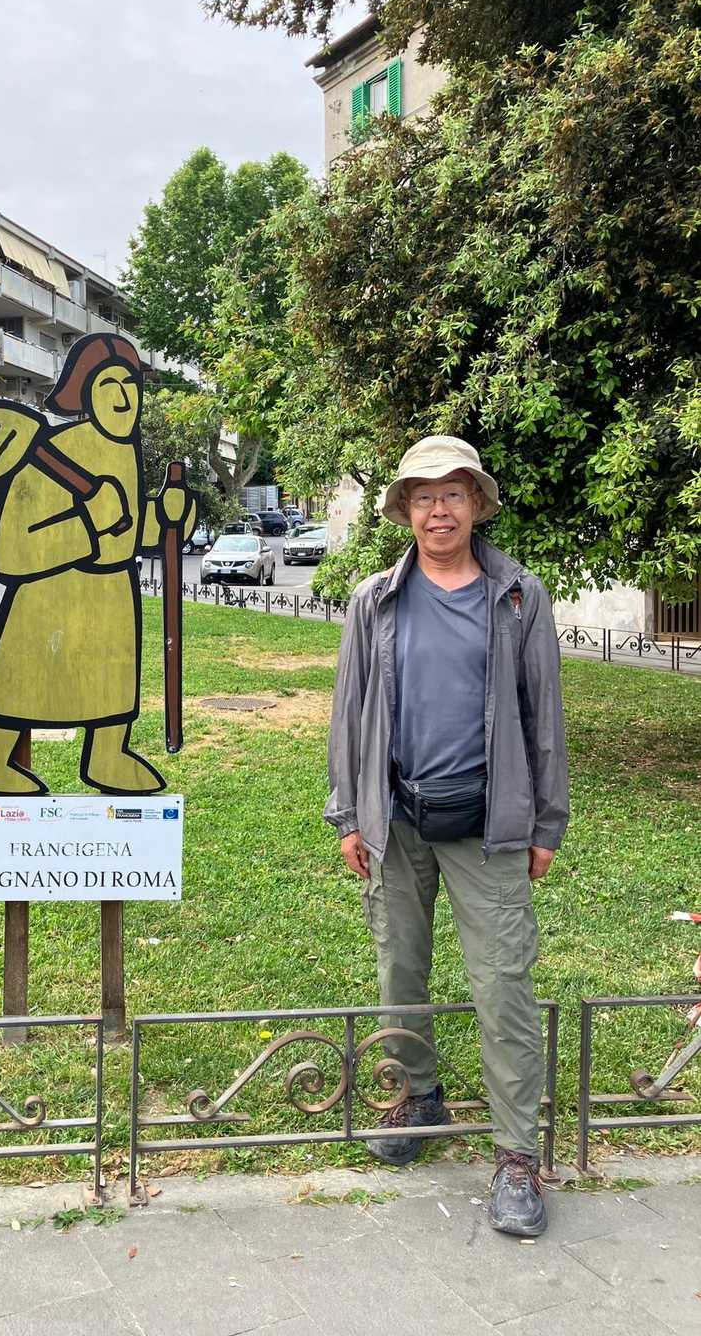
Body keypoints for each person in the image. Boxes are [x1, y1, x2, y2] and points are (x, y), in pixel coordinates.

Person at [325, 436, 568, 1238]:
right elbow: (351, 710)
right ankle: (418, 1095)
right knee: (400, 965)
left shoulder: (519, 597)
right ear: (404, 510)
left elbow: (543, 719)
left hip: (489, 824)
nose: (439, 510)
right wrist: (348, 813)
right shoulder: (375, 599)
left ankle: (516, 1156)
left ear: (476, 505)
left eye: (453, 494)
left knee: (502, 982)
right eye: (424, 496)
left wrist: (546, 823)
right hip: (396, 817)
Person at [0, 334, 195, 794]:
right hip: (50, 596)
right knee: (21, 684)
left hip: (111, 597)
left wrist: (167, 518)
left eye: (129, 384)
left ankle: (108, 754)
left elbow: (125, 526)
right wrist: (87, 523)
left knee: (111, 679)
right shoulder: (51, 453)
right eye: (108, 385)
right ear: (85, 394)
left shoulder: (125, 450)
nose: (123, 397)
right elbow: (12, 549)